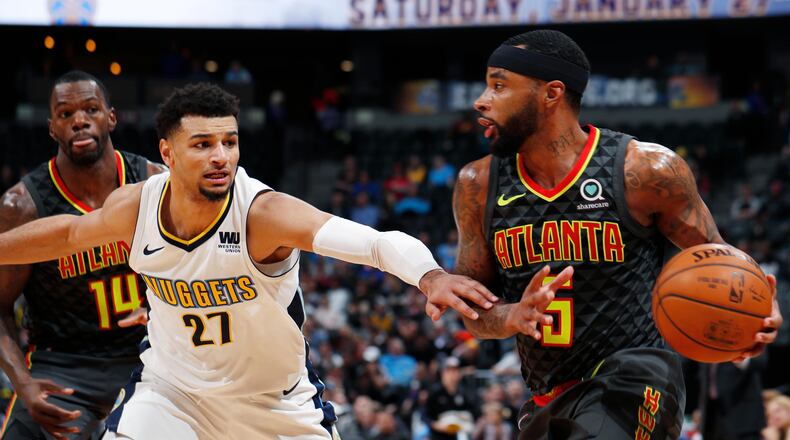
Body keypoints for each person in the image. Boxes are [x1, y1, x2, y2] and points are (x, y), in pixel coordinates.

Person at [0, 83, 497, 440]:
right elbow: (68, 233)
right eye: (202, 144)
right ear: (167, 153)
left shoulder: (263, 213)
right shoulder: (137, 205)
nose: (221, 156)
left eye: (229, 142)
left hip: (274, 405)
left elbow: (373, 243)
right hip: (173, 396)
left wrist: (429, 275)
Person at [451, 29, 783, 439]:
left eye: (499, 85)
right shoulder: (477, 185)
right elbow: (473, 312)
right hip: (548, 397)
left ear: (552, 93)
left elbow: (717, 257)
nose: (481, 100)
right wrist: (512, 316)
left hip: (638, 379)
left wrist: (759, 304)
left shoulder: (645, 171)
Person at [0, 70, 165, 439]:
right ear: (52, 128)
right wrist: (24, 384)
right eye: (65, 114)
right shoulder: (21, 206)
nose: (79, 121)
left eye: (91, 109)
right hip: (63, 365)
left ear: (111, 117)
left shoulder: (152, 183)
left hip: (150, 355)